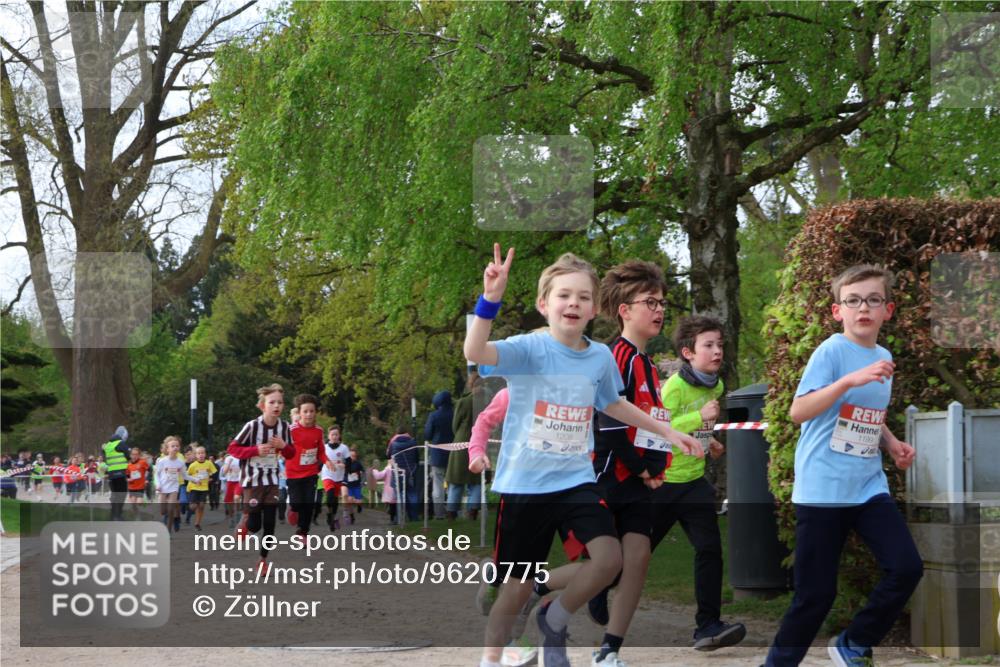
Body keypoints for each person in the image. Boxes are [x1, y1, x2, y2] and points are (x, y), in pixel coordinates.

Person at [465, 245, 702, 667]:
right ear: (544, 304)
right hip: (525, 487)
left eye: (583, 297)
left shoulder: (599, 357)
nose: (573, 303)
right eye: (563, 295)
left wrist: (667, 430)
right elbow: (475, 352)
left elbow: (613, 403)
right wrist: (491, 299)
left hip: (575, 481)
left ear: (595, 309)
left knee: (609, 558)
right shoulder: (528, 349)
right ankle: (490, 657)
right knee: (517, 587)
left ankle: (554, 616)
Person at [763, 265, 922, 667]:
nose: (862, 308)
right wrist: (849, 380)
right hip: (822, 490)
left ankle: (852, 643)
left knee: (906, 568)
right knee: (815, 597)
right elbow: (799, 411)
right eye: (853, 301)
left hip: (868, 487)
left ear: (887, 309)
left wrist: (891, 443)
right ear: (838, 311)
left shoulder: (882, 356)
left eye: (871, 300)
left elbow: (865, 412)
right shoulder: (832, 351)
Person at [648, 315, 746, 652]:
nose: (717, 351)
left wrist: (709, 439)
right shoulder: (673, 387)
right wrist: (698, 419)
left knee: (709, 551)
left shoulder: (715, 385)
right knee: (634, 555)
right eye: (709, 345)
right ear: (688, 353)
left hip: (693, 483)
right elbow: (656, 428)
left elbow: (696, 428)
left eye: (720, 344)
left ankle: (708, 626)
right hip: (663, 484)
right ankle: (596, 589)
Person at [228, 383, 292, 573]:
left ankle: (263, 560)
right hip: (252, 481)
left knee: (270, 524)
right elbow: (233, 449)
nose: (276, 406)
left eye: (280, 402)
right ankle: (245, 520)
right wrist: (255, 450)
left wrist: (283, 446)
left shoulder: (284, 427)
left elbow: (291, 454)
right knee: (255, 526)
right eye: (272, 402)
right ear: (263, 405)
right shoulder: (252, 426)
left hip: (272, 481)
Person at [282, 394, 327, 539]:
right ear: (299, 413)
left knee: (309, 504)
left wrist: (328, 461)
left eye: (311, 411)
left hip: (310, 473)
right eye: (305, 411)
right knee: (296, 503)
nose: (308, 414)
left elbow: (321, 451)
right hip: (293, 474)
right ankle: (292, 510)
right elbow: (282, 448)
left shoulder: (319, 431)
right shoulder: (291, 430)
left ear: (315, 413)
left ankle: (303, 533)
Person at [448, 374, 486, 521]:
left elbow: (455, 425)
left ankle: (451, 512)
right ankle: (473, 512)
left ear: (470, 384)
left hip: (462, 442)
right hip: (481, 441)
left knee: (456, 480)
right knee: (475, 480)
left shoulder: (463, 402)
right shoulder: (487, 402)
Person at [424, 390, 454, 519]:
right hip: (454, 453)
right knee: (454, 483)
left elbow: (427, 435)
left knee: (438, 485)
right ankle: (453, 511)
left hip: (437, 454)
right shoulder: (455, 413)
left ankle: (439, 513)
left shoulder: (433, 416)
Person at [387, 426, 420, 522]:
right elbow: (417, 458)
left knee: (400, 495)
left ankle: (400, 518)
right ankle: (414, 517)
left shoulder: (393, 443)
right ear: (407, 432)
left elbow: (388, 455)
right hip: (411, 472)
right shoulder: (413, 442)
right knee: (412, 494)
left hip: (398, 473)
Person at [322, 426, 351, 531]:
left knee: (334, 500)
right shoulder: (324, 447)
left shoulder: (344, 448)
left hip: (339, 477)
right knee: (330, 496)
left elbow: (349, 463)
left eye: (336, 434)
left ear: (339, 436)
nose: (334, 436)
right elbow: (320, 460)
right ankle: (330, 514)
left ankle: (332, 516)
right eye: (332, 434)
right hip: (327, 475)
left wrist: (344, 465)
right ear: (328, 436)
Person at [155, 437, 187, 532]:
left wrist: (194, 479)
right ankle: (172, 517)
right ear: (167, 448)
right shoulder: (161, 459)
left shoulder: (181, 458)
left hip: (177, 484)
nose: (175, 448)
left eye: (177, 446)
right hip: (164, 486)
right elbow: (157, 474)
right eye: (172, 446)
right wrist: (158, 485)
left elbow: (184, 473)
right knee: (163, 511)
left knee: (172, 507)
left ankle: (170, 526)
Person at [102, 427, 131, 520]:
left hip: (111, 474)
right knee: (122, 494)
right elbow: (128, 456)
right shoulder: (121, 443)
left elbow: (105, 459)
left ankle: (113, 514)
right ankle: (118, 515)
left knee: (114, 494)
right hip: (121, 473)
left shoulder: (108, 445)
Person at [186, 445, 217, 531]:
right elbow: (187, 476)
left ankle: (197, 523)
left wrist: (211, 479)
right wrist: (194, 480)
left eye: (202, 453)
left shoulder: (209, 463)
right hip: (194, 488)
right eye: (199, 453)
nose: (201, 455)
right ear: (196, 455)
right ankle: (189, 505)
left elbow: (214, 473)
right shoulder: (193, 465)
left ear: (205, 454)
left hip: (204, 488)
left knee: (202, 505)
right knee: (193, 506)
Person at [220, 449, 242, 528]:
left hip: (238, 481)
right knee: (229, 502)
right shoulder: (228, 458)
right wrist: (228, 464)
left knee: (236, 498)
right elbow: (224, 472)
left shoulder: (241, 457)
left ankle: (238, 514)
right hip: (230, 482)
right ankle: (231, 517)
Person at [344, 447, 365, 523]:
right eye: (351, 456)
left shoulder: (358, 463)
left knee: (358, 501)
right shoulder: (345, 463)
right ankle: (352, 516)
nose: (352, 457)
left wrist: (362, 481)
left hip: (356, 485)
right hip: (348, 485)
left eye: (354, 456)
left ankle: (359, 506)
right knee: (349, 501)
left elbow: (364, 472)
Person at [126, 447, 149, 514]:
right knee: (133, 505)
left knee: (139, 503)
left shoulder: (142, 462)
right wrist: (128, 479)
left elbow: (149, 470)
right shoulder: (129, 465)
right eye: (133, 454)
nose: (134, 456)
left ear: (139, 455)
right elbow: (127, 475)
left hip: (140, 486)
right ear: (130, 455)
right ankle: (136, 517)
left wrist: (147, 479)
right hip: (132, 486)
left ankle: (143, 501)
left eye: (136, 454)